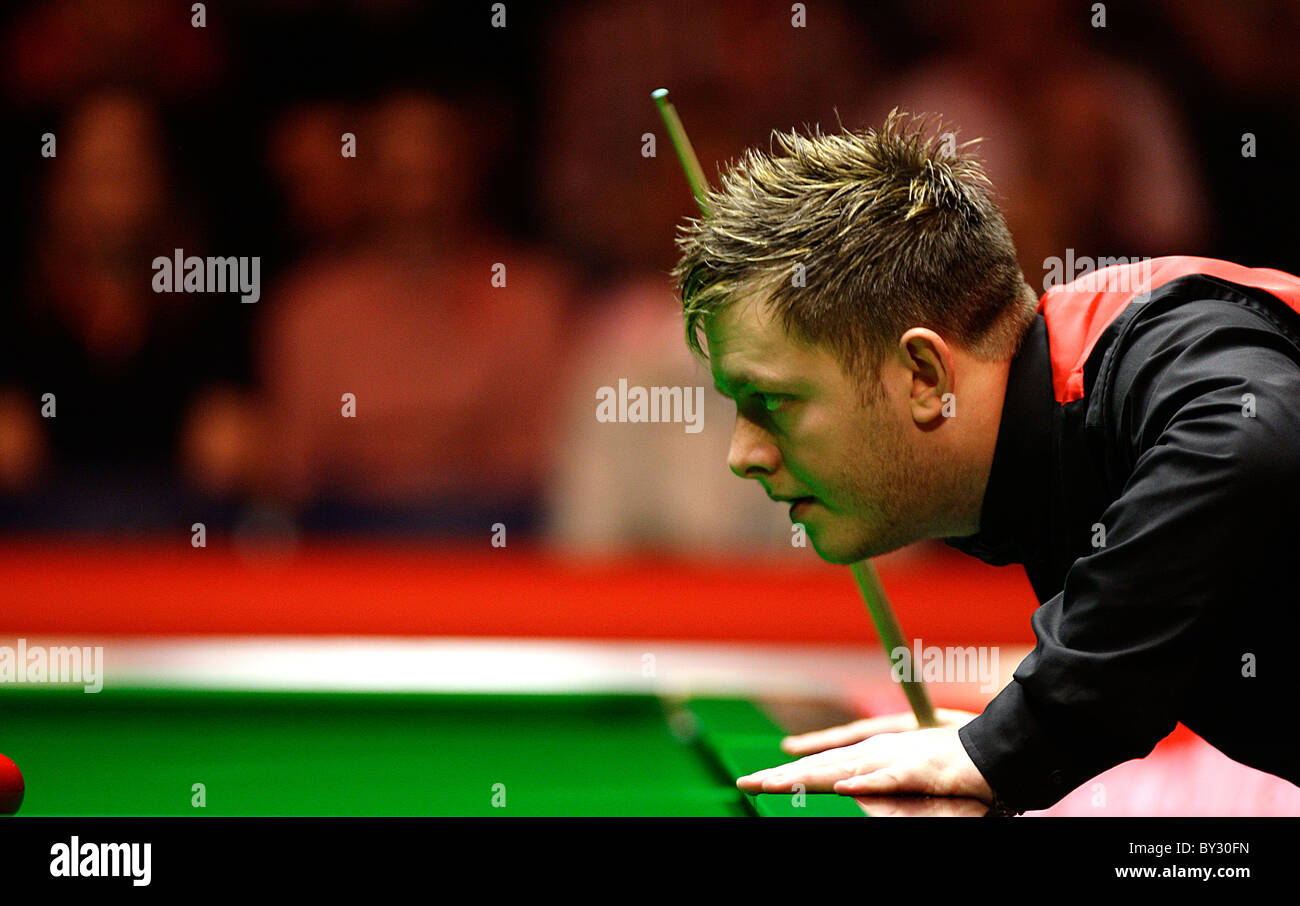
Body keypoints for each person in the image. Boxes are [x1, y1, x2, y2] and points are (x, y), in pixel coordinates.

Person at [671, 111, 1300, 815]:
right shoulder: (1055, 459)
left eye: (772, 400)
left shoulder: (1154, 339)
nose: (742, 456)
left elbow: (1254, 449)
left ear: (923, 376)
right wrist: (993, 736)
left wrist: (1006, 743)